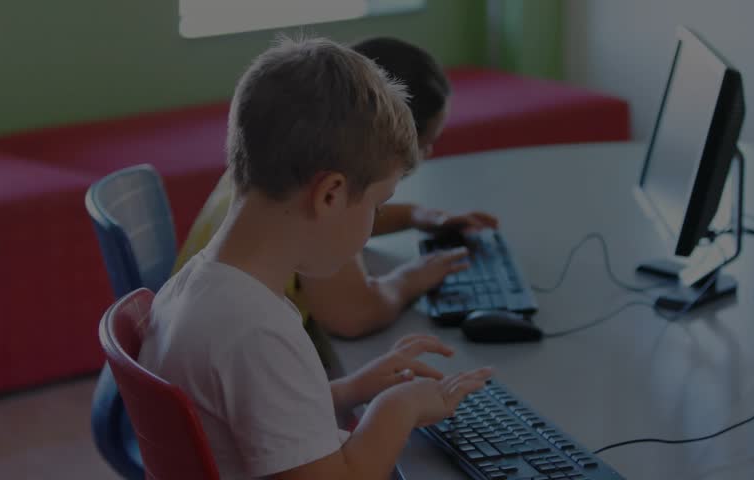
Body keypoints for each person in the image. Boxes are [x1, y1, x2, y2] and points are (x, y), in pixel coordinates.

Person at [138, 37, 492, 479]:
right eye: (376, 206)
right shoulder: (257, 333)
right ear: (330, 194)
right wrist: (396, 409)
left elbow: (251, 412)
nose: (371, 223)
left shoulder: (195, 286)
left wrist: (349, 390)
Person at [172, 37, 499, 354]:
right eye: (425, 143)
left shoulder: (268, 164)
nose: (426, 154)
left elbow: (346, 204)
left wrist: (417, 216)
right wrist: (415, 277)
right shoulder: (265, 338)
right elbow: (352, 315)